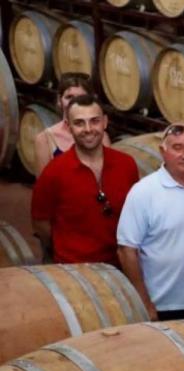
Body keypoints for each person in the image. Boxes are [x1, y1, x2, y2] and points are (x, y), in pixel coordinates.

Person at [117, 124, 184, 320]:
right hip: (163, 304)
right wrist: (144, 302)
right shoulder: (143, 192)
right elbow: (126, 251)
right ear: (162, 151)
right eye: (177, 147)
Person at [31, 94, 139, 266]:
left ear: (105, 122)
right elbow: (41, 223)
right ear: (68, 127)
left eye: (94, 121)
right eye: (79, 123)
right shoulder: (54, 172)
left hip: (121, 266)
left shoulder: (126, 164)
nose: (88, 129)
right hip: (76, 271)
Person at [32, 72, 111, 176]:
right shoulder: (44, 139)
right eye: (69, 97)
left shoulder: (101, 136)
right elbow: (44, 185)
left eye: (81, 97)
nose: (75, 102)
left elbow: (108, 174)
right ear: (59, 101)